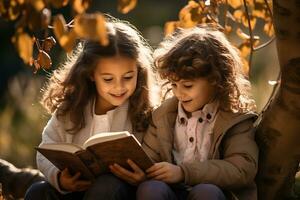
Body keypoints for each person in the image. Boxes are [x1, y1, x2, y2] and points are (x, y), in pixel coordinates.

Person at [24, 16, 157, 200]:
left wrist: (143, 178)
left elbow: (156, 158)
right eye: (108, 79)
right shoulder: (71, 108)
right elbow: (46, 149)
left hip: (119, 192)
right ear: (91, 74)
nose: (119, 87)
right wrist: (61, 179)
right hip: (75, 189)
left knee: (106, 186)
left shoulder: (144, 111)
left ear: (139, 71)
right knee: (37, 191)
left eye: (128, 77)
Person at [136, 26, 259, 200]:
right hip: (173, 192)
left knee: (206, 193)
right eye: (173, 85)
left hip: (217, 193)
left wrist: (183, 173)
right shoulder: (163, 116)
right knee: (151, 188)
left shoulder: (234, 119)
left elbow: (241, 169)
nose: (179, 93)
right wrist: (143, 172)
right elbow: (150, 157)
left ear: (215, 80)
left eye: (187, 86)